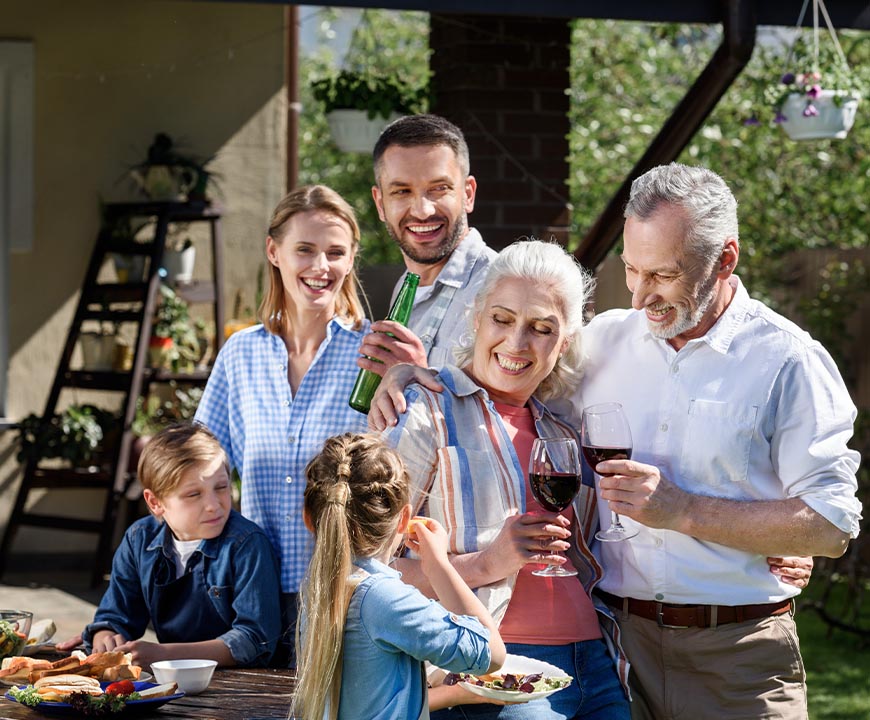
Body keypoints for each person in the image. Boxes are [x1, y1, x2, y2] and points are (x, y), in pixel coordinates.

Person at [576, 163, 862, 719]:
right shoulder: (600, 341)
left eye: (662, 275)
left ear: (725, 258)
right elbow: (505, 395)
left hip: (739, 659)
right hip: (612, 651)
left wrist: (682, 510)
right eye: (632, 270)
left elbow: (829, 526)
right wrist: (409, 375)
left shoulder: (788, 359)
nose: (639, 297)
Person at [379, 240, 631, 720]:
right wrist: (484, 564)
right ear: (475, 317)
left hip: (594, 662)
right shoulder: (424, 414)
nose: (517, 344)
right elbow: (365, 567)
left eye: (541, 329)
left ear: (565, 342)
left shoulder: (563, 432)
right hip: (493, 671)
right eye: (502, 319)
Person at [193, 185, 370, 663]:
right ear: (274, 252)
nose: (321, 267)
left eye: (336, 252)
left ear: (351, 258)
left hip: (347, 595)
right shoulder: (241, 353)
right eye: (305, 250)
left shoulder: (375, 355)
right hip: (253, 598)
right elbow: (200, 466)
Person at [292, 432, 506, 720]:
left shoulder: (316, 589)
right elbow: (492, 653)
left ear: (308, 518)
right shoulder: (386, 600)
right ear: (405, 520)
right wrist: (439, 566)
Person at [77, 422, 281, 669]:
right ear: (155, 502)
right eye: (194, 494)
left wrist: (165, 655)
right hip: (175, 682)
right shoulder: (138, 540)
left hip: (243, 686)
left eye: (221, 487)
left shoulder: (247, 545)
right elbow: (116, 616)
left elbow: (255, 640)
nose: (213, 505)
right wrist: (104, 637)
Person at [356, 113, 497, 374]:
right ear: (380, 203)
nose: (422, 211)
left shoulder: (501, 287)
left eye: (438, 188)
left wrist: (418, 376)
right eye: (402, 191)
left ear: (467, 194)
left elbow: (523, 412)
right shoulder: (406, 285)